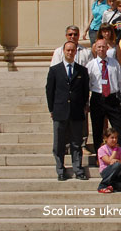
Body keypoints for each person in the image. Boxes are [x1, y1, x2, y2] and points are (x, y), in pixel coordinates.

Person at [45, 41, 90, 181]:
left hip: (76, 112)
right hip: (60, 110)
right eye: (68, 50)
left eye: (72, 50)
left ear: (76, 52)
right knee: (59, 143)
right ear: (63, 52)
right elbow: (49, 91)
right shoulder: (55, 70)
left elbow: (84, 91)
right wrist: (51, 108)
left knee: (76, 143)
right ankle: (60, 169)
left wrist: (83, 106)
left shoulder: (82, 70)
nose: (70, 53)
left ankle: (78, 169)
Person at [86, 39, 121, 154]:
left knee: (119, 127)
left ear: (107, 48)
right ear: (95, 49)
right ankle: (99, 155)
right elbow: (87, 85)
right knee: (97, 128)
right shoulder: (90, 65)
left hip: (112, 98)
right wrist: (86, 102)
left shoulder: (114, 63)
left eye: (103, 47)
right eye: (99, 47)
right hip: (97, 98)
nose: (101, 49)